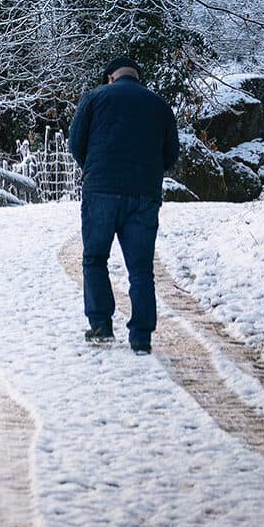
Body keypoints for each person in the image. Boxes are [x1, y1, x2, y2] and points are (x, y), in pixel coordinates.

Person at [68, 56, 180, 354]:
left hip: (101, 192)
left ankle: (101, 325)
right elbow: (171, 154)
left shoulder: (93, 99)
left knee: (95, 259)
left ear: (110, 77)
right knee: (141, 268)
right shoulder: (159, 105)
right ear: (137, 77)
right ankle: (141, 336)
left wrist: (94, 169)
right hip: (143, 196)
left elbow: (75, 144)